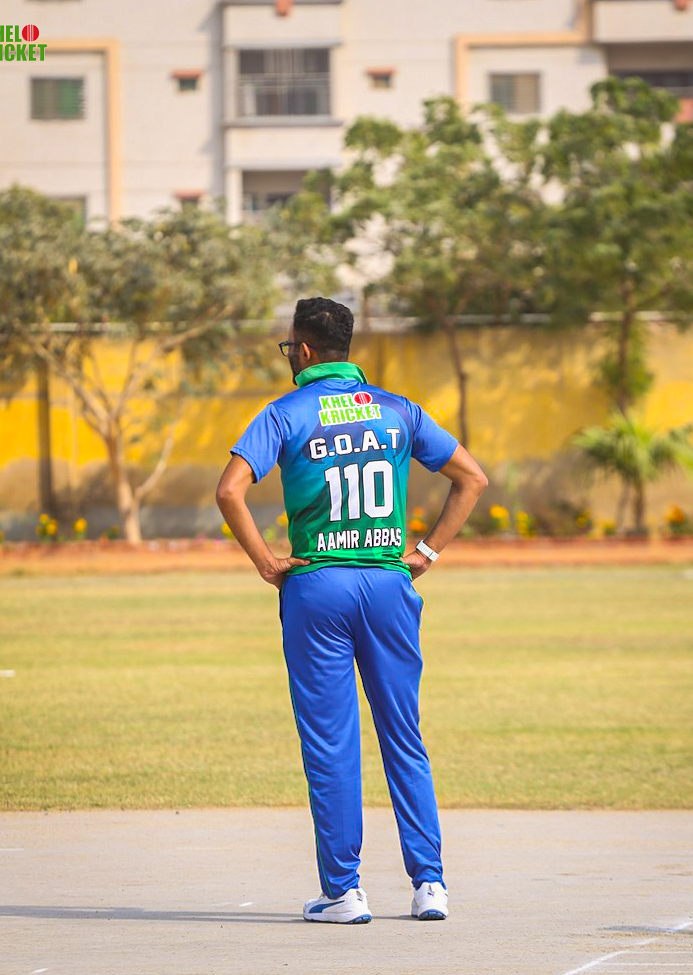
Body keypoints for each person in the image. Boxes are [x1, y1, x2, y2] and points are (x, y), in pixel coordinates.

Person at [216, 297, 487, 924]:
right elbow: (471, 477)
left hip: (318, 587)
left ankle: (343, 892)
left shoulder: (285, 413)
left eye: (289, 347)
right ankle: (430, 885)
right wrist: (426, 553)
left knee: (332, 744)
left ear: (305, 350)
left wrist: (266, 563)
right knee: (404, 735)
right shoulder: (397, 409)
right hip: (389, 584)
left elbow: (230, 490)